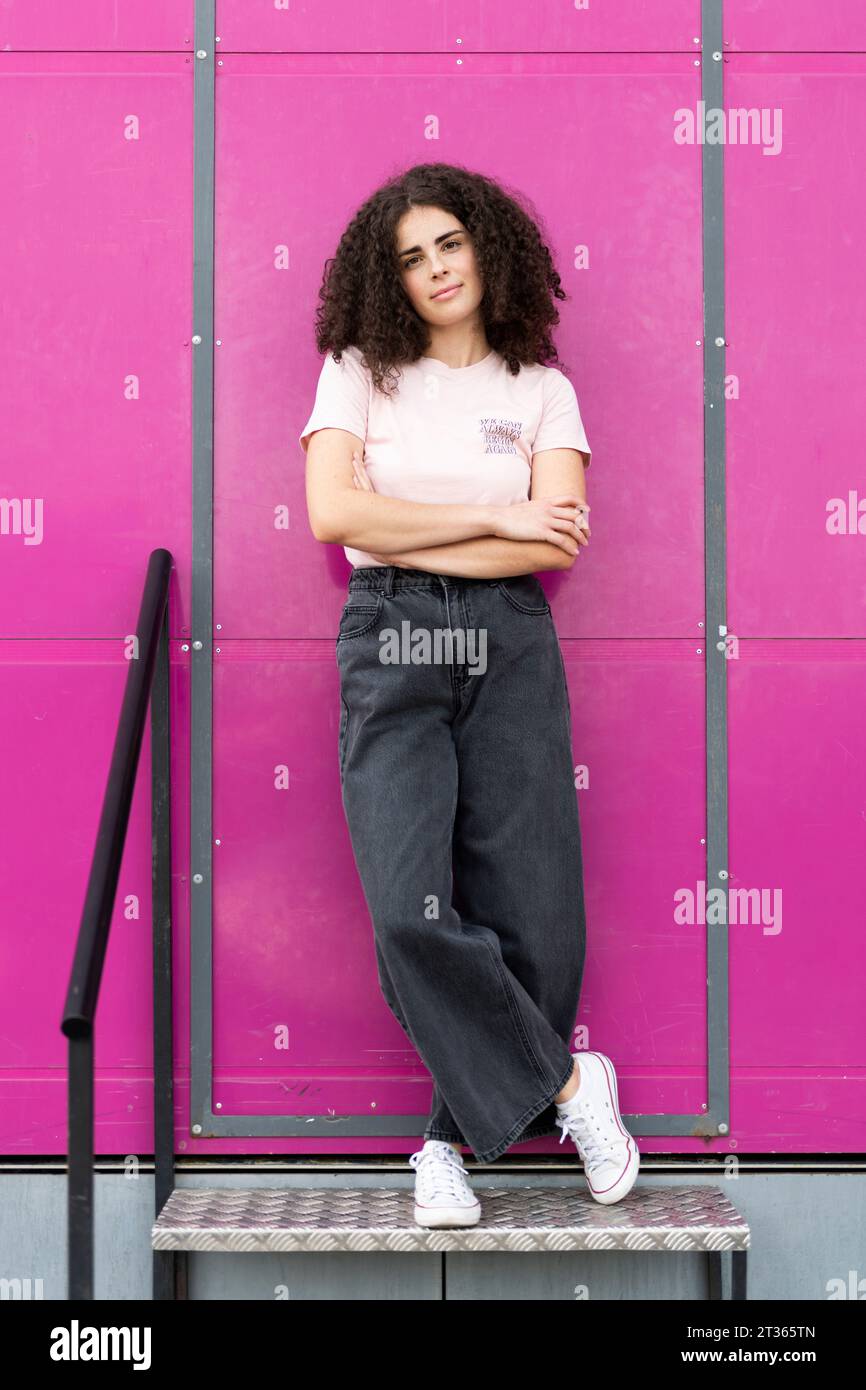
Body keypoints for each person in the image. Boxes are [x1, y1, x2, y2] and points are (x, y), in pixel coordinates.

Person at [299, 162, 639, 1226]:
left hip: (508, 640)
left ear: (486, 247)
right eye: (409, 258)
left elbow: (561, 529)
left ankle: (445, 1143)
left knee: (534, 918)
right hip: (390, 631)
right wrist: (497, 522)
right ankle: (574, 1085)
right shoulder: (358, 370)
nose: (434, 268)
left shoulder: (541, 388)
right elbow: (330, 516)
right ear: (385, 281)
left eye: (447, 243)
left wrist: (406, 515)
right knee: (409, 908)